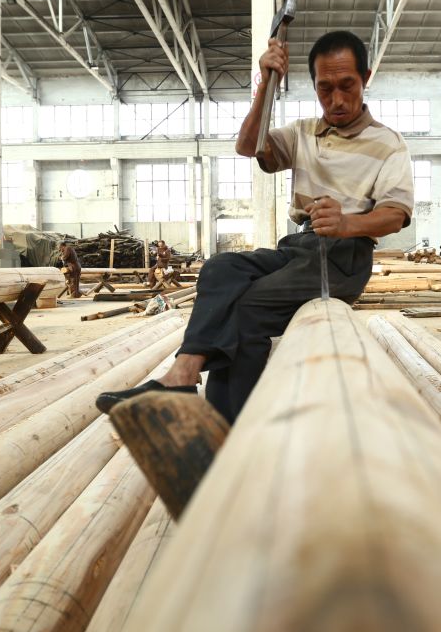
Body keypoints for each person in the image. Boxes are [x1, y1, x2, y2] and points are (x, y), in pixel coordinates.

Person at [96, 30, 414, 423]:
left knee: (247, 309)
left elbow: (396, 213)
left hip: (344, 257)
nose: (336, 100)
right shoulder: (303, 133)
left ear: (365, 78)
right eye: (324, 88)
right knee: (219, 269)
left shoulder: (388, 143)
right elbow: (248, 145)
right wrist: (266, 83)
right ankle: (182, 376)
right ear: (314, 85)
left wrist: (347, 222)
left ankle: (229, 423)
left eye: (347, 86)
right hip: (299, 246)